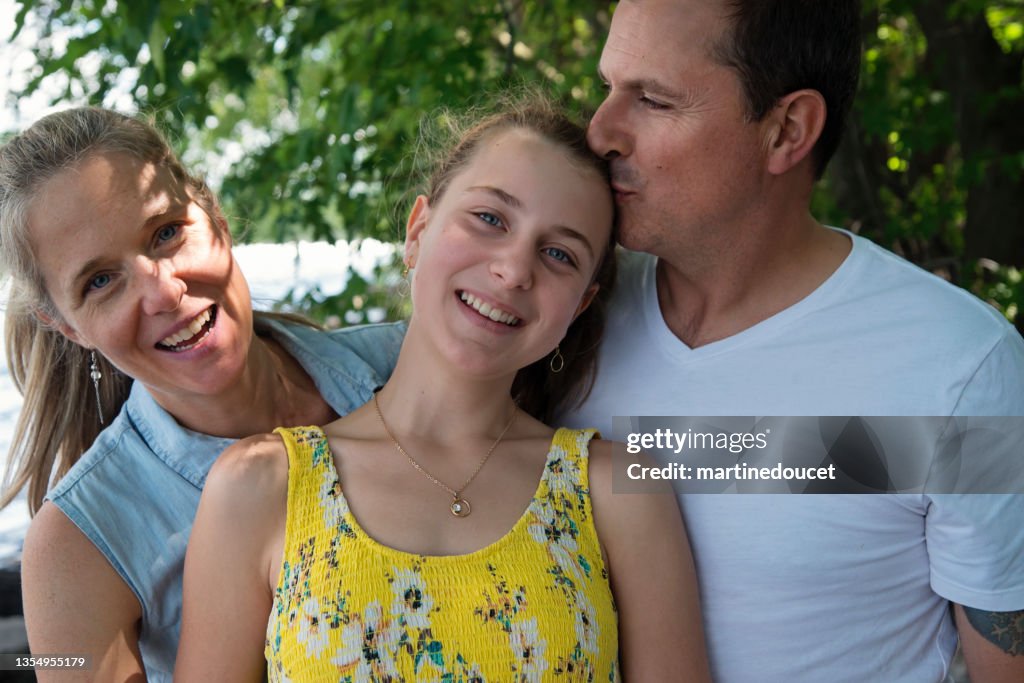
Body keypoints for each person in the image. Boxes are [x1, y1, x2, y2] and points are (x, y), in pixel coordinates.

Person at [561, 1, 1024, 682]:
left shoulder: (959, 370)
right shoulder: (561, 309)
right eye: (606, 89)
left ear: (787, 130)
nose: (599, 132)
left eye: (653, 100)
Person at [175, 94, 711, 682]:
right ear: (417, 232)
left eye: (558, 253)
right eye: (490, 219)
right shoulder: (260, 486)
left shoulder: (619, 491)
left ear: (580, 305)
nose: (513, 269)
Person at [0, 107, 405, 681]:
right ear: (68, 326)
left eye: (166, 233)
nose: (164, 292)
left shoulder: (408, 365)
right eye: (100, 281)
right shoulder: (79, 544)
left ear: (211, 211)